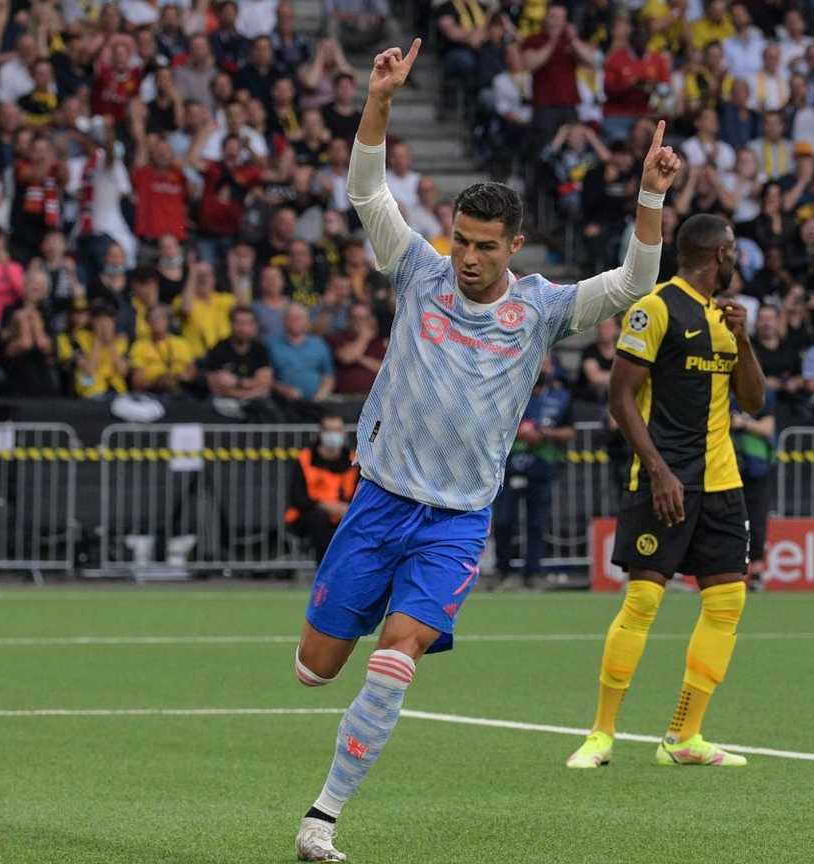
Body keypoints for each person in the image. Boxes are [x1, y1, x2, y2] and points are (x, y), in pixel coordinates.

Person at [293, 40, 677, 863]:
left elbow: (635, 282)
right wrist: (381, 99)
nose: (467, 257)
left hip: (456, 521)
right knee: (315, 668)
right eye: (461, 240)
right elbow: (366, 189)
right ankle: (347, 628)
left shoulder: (541, 309)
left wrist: (648, 193)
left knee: (398, 658)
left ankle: (321, 817)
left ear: (514, 245)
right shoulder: (418, 271)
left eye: (483, 245)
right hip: (381, 500)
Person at [566, 212, 765, 770]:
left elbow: (753, 401)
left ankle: (684, 735)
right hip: (665, 483)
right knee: (644, 600)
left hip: (722, 484)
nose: (736, 263)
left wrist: (744, 341)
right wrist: (657, 470)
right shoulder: (654, 307)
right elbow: (620, 398)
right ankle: (601, 733)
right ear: (721, 254)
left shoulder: (726, 318)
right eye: (734, 255)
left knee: (727, 603)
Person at [491, 353, 573, 590]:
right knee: (505, 520)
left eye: (545, 364)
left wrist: (546, 435)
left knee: (536, 522)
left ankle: (533, 573)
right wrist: (519, 433)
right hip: (509, 465)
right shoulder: (509, 396)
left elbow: (571, 431)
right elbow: (493, 426)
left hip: (542, 464)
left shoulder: (560, 398)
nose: (540, 369)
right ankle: (502, 570)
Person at [285, 413, 359, 563]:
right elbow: (297, 497)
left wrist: (345, 508)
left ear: (344, 434)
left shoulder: (353, 461)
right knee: (319, 520)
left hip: (345, 514)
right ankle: (324, 570)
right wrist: (325, 506)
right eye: (329, 430)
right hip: (308, 515)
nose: (333, 435)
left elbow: (360, 494)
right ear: (320, 433)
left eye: (337, 430)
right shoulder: (305, 458)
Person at [205, 307, 284, 422]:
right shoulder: (219, 349)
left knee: (271, 410)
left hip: (255, 400)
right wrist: (251, 384)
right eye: (239, 323)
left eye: (248, 323)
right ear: (231, 325)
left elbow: (264, 385)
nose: (243, 328)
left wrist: (237, 383)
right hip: (225, 401)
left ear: (254, 326)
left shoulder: (260, 349)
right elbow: (216, 387)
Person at [129, 305, 198, 395]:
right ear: (147, 322)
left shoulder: (181, 343)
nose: (157, 321)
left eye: (160, 317)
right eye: (152, 318)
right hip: (153, 392)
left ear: (167, 320)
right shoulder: (139, 346)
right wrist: (157, 383)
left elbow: (192, 371)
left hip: (182, 389)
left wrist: (180, 378)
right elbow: (137, 381)